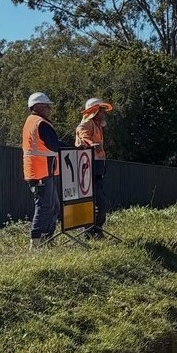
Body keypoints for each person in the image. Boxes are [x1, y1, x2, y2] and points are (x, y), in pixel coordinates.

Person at [21, 92, 67, 249]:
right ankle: (36, 242)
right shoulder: (40, 123)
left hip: (43, 171)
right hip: (41, 172)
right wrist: (72, 148)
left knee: (52, 206)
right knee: (44, 206)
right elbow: (54, 145)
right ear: (37, 106)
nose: (49, 109)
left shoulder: (33, 122)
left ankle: (47, 239)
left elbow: (52, 143)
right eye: (46, 106)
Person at [74, 98, 113, 237]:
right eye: (101, 110)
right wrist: (92, 145)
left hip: (97, 168)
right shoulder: (86, 123)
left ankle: (95, 231)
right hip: (88, 167)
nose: (103, 113)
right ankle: (91, 231)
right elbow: (82, 133)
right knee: (98, 202)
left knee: (98, 201)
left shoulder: (97, 126)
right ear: (94, 111)